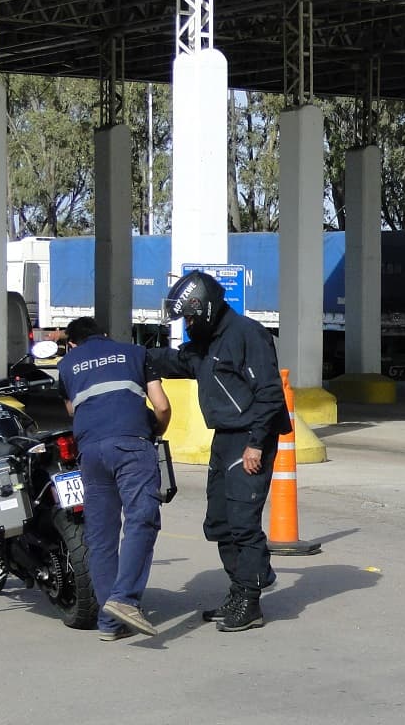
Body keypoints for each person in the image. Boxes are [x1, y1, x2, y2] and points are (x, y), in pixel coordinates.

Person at [147, 271, 290, 632]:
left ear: (205, 308)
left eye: (190, 318)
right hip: (225, 437)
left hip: (250, 438)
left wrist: (256, 443)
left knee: (243, 522)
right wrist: (130, 357)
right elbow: (178, 361)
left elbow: (270, 393)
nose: (188, 325)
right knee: (219, 522)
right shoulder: (207, 342)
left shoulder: (247, 334)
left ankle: (250, 600)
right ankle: (240, 587)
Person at [57, 317, 172, 641]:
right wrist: (155, 430)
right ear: (105, 335)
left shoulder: (66, 366)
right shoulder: (135, 353)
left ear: (72, 344)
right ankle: (124, 599)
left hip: (91, 452)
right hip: (131, 444)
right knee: (141, 519)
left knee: (100, 535)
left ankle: (110, 624)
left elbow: (73, 410)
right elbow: (162, 406)